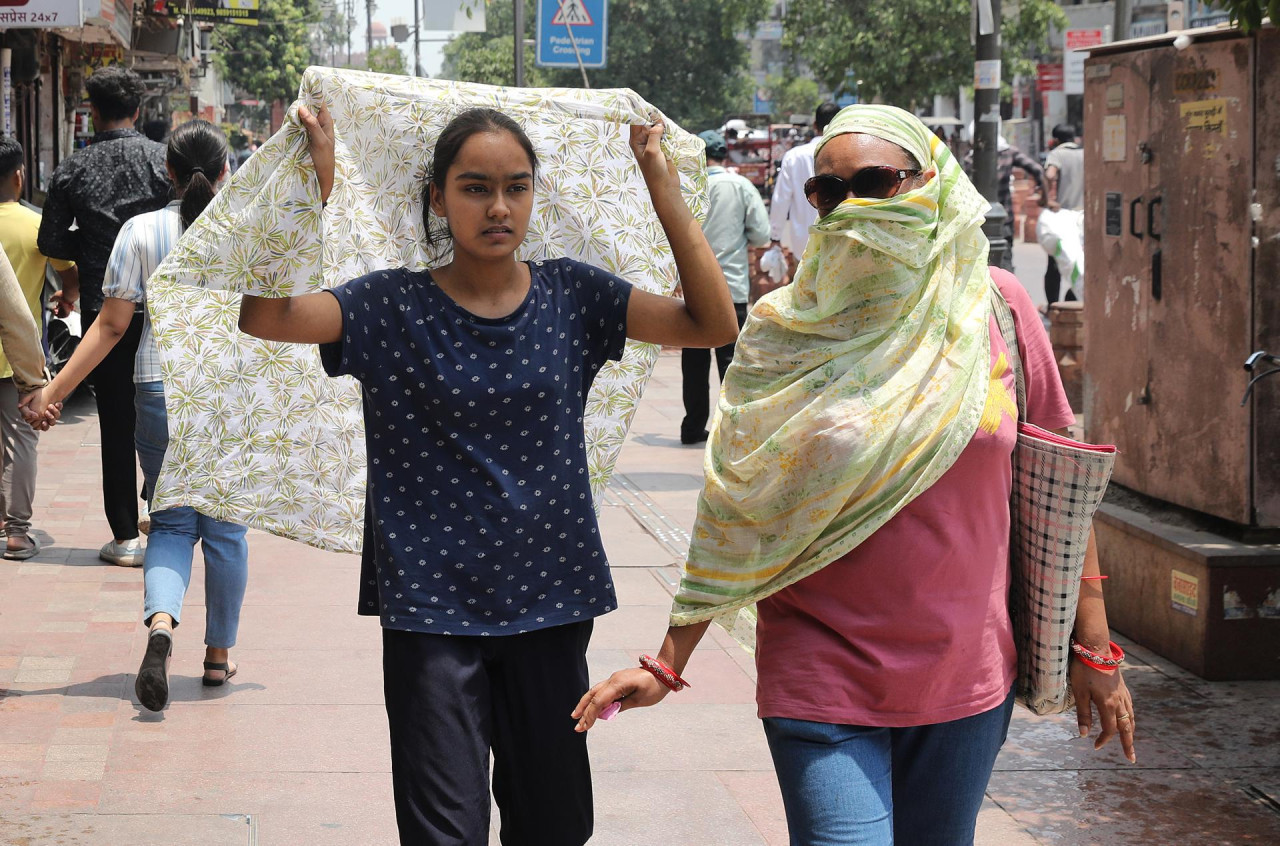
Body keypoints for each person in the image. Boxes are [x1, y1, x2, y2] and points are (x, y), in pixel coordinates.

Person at [574, 105, 1136, 845]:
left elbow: (1060, 488)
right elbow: (737, 511)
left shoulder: (993, 307)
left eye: (876, 182)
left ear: (928, 183)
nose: (852, 208)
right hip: (820, 670)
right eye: (829, 193)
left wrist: (1095, 651)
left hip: (966, 674)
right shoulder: (786, 329)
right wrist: (668, 662)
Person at [236, 105, 737, 845]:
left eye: (516, 187)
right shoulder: (389, 304)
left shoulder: (574, 295)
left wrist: (659, 182)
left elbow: (712, 324)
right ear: (438, 198)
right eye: (474, 188)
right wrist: (314, 186)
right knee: (446, 832)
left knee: (555, 825)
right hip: (432, 611)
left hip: (551, 600)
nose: (499, 207)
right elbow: (267, 317)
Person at [23, 121, 250, 711]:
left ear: (166, 174)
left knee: (171, 522)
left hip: (155, 389)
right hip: (226, 395)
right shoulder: (244, 226)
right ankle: (218, 657)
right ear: (225, 170)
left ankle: (161, 627)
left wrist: (54, 390)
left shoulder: (140, 231)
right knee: (224, 530)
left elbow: (112, 325)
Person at [37, 65, 172, 567]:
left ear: (92, 112)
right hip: (164, 312)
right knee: (167, 413)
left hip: (102, 314)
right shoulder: (164, 162)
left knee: (115, 422)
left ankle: (124, 538)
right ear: (138, 111)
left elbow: (49, 241)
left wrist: (95, 250)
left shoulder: (72, 169)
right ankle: (166, 521)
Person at [0, 138, 78, 560]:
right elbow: (71, 275)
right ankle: (16, 532)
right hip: (19, 357)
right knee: (20, 441)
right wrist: (65, 299)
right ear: (18, 176)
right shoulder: (35, 226)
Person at [680, 131, 770, 445]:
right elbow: (761, 235)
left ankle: (692, 426)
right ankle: (731, 428)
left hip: (692, 287)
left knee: (693, 363)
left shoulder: (689, 187)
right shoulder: (741, 186)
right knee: (731, 362)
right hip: (730, 286)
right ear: (725, 154)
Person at [964, 121, 1048, 272]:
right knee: (1005, 264)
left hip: (977, 222)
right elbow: (1038, 170)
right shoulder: (1009, 153)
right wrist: (1044, 196)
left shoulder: (970, 160)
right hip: (1004, 219)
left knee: (979, 266)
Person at [768, 102, 840, 269]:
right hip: (840, 247)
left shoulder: (794, 157)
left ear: (814, 125)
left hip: (803, 247)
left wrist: (775, 237)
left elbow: (780, 200)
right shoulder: (851, 155)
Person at [1042, 123, 1084, 304]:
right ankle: (1075, 298)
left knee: (1054, 265)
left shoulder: (1057, 154)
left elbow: (1050, 175)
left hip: (1064, 217)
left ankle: (1054, 306)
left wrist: (1046, 200)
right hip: (1084, 216)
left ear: (1055, 140)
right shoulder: (1084, 154)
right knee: (1080, 262)